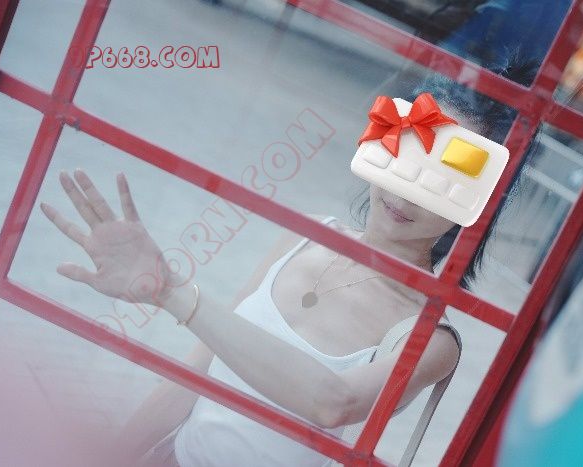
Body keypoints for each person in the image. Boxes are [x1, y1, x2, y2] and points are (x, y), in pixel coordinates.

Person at [40, 66, 533, 466]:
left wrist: (172, 292)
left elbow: (334, 402)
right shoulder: (307, 235)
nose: (406, 194)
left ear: (475, 206)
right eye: (408, 158)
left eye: (441, 182)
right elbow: (195, 374)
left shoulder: (430, 337)